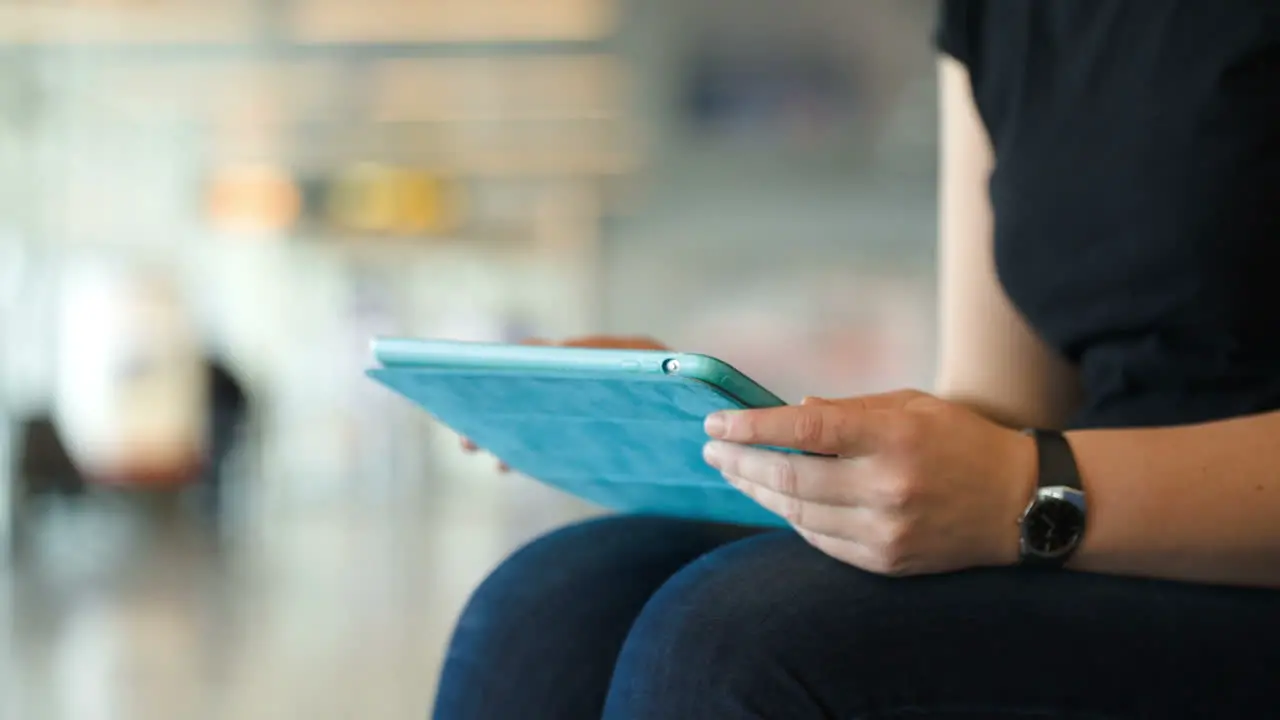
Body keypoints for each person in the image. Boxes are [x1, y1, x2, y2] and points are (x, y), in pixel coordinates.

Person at [434, 2, 1280, 717]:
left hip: (1222, 550)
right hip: (1080, 518)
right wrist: (725, 426)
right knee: (555, 601)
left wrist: (1018, 488)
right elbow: (997, 407)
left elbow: (1008, 471)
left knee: (735, 639)